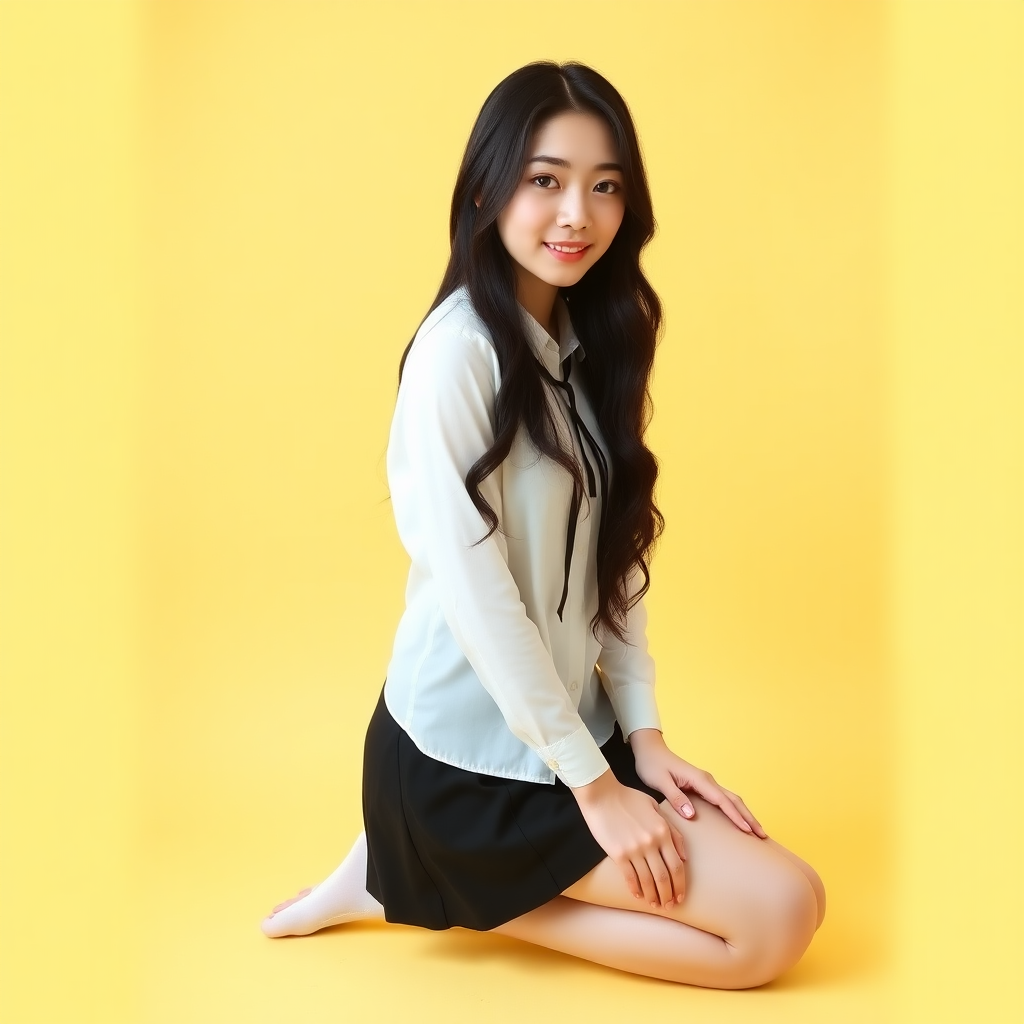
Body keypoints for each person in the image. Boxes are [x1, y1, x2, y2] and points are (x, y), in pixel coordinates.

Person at [261, 60, 825, 989]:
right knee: (768, 933)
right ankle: (418, 866)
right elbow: (482, 602)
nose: (578, 214)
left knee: (797, 898)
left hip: (572, 736)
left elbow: (616, 559)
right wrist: (598, 791)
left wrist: (642, 739)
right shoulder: (456, 358)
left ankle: (403, 873)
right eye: (546, 180)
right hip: (466, 764)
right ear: (487, 186)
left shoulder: (585, 347)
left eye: (606, 187)